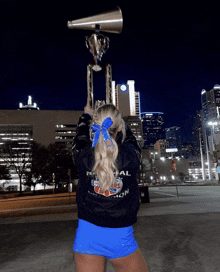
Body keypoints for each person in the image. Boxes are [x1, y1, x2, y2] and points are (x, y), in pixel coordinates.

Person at [72, 99, 150, 272]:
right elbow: (131, 139)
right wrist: (119, 119)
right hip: (121, 238)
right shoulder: (131, 156)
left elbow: (80, 137)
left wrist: (86, 115)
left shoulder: (82, 156)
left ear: (95, 125)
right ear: (120, 127)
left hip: (87, 238)